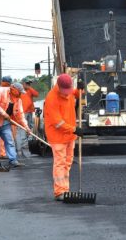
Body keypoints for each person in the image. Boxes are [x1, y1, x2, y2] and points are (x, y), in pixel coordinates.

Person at [43, 73, 84, 201]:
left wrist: (80, 89)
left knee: (68, 162)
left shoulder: (70, 91)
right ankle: (59, 191)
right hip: (57, 136)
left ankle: (65, 189)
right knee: (60, 163)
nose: (67, 93)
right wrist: (75, 129)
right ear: (58, 87)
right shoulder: (51, 99)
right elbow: (58, 122)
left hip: (69, 135)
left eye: (69, 90)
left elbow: (76, 94)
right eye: (65, 91)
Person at [0, 82, 30, 170]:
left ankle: (13, 160)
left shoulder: (18, 100)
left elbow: (20, 114)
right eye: (19, 92)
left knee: (10, 141)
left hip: (5, 123)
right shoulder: (0, 91)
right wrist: (4, 114)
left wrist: (26, 127)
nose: (20, 94)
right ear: (14, 89)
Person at [0, 76, 14, 159]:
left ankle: (6, 153)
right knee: (5, 136)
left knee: (7, 137)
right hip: (3, 116)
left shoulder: (7, 91)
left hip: (7, 116)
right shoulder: (2, 91)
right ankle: (3, 153)